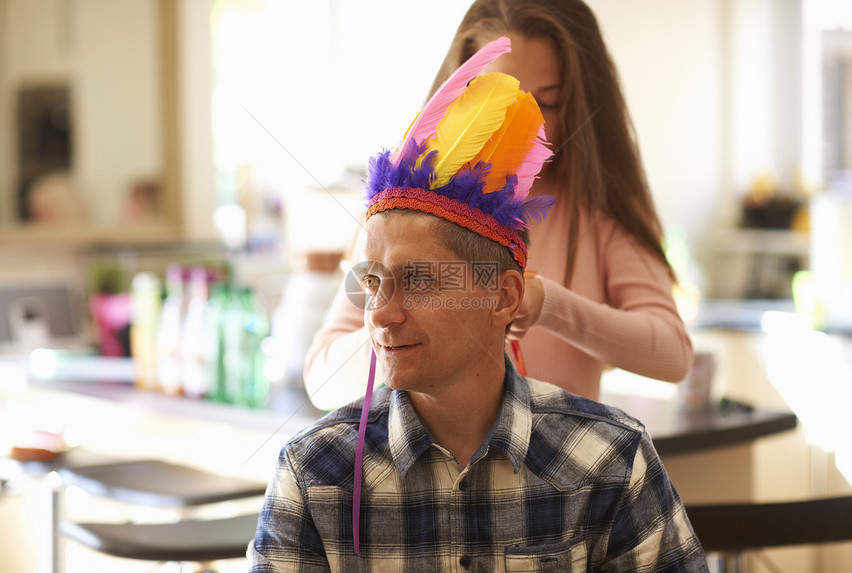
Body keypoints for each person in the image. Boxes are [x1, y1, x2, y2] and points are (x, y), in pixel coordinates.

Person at [249, 38, 707, 571]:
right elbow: (328, 371)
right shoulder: (313, 477)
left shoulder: (610, 463)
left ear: (505, 298)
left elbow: (671, 354)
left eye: (419, 281)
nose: (378, 312)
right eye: (372, 284)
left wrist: (549, 303)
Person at [304, 0, 692, 409]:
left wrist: (547, 304)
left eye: (549, 103)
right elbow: (322, 377)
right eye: (499, 97)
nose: (525, 123)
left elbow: (672, 354)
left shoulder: (600, 206)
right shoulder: (404, 207)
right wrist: (411, 325)